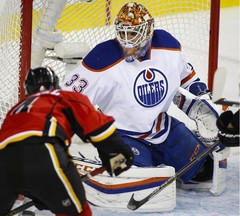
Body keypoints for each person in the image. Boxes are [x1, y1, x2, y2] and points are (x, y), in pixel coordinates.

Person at [61, 2, 229, 195]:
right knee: (140, 186)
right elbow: (68, 100)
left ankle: (160, 159)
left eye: (133, 33)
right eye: (123, 33)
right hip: (120, 136)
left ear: (148, 30)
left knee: (205, 172)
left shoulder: (168, 46)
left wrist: (206, 102)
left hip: (162, 129)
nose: (127, 40)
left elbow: (188, 78)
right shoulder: (102, 57)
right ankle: (98, 160)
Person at [0, 67, 133, 216]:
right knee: (78, 212)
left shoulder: (16, 108)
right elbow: (99, 130)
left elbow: (15, 152)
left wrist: (31, 189)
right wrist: (120, 155)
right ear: (55, 85)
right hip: (43, 151)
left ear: (28, 90)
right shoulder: (66, 97)